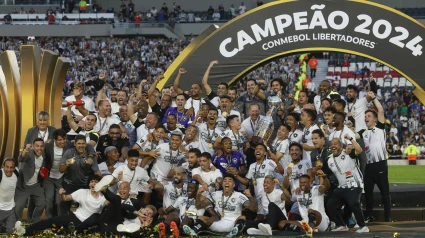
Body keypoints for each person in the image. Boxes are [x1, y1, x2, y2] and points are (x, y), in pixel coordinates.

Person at [16, 175, 106, 236]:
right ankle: (25, 231)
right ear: (89, 184)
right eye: (92, 181)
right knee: (50, 221)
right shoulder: (83, 192)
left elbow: (112, 203)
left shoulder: (104, 198)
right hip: (74, 217)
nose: (93, 184)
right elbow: (65, 198)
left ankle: (74, 230)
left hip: (86, 224)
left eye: (96, 182)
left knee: (63, 233)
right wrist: (61, 194)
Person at [185, 174, 257, 237]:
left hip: (233, 225)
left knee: (243, 217)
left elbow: (254, 209)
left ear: (234, 185)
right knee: (202, 218)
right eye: (225, 180)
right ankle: (193, 232)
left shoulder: (239, 195)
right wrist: (198, 194)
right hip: (218, 223)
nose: (227, 182)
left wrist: (250, 197)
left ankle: (234, 232)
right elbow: (199, 206)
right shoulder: (215, 194)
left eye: (230, 181)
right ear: (222, 184)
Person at [357, 91, 391, 222]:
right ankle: (369, 215)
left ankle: (388, 216)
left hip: (380, 164)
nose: (366, 118)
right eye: (365, 116)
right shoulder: (363, 132)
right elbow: (354, 136)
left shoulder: (380, 128)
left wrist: (374, 98)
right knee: (368, 193)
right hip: (369, 166)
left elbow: (381, 110)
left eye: (368, 116)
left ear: (375, 119)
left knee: (385, 193)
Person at [326, 137, 369, 233]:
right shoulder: (329, 161)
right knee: (330, 205)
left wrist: (351, 139)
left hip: (354, 184)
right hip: (342, 187)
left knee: (353, 203)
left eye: (336, 144)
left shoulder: (348, 153)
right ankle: (341, 225)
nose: (333, 146)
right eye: (332, 144)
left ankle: (363, 226)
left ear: (341, 146)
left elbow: (359, 150)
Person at [14, 138, 47, 225]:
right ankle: (18, 225)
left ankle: (34, 221)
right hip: (23, 186)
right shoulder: (30, 154)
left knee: (42, 203)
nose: (39, 148)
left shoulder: (43, 156)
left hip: (35, 185)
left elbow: (40, 168)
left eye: (41, 146)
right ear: (32, 146)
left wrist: (41, 174)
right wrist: (26, 150)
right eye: (37, 146)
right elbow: (21, 158)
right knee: (18, 207)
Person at [0, 158, 19, 234]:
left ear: (14, 168)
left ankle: (4, 227)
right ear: (3, 166)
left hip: (10, 210)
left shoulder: (16, 173)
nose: (9, 169)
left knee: (11, 232)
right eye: (7, 167)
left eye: (11, 167)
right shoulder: (0, 174)